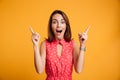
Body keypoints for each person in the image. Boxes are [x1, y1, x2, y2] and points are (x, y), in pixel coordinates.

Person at [30, 10, 90, 80]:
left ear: (66, 26)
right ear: (51, 26)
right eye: (54, 22)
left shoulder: (73, 44)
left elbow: (79, 70)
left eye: (62, 22)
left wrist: (83, 44)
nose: (58, 25)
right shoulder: (45, 44)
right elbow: (39, 70)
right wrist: (35, 45)